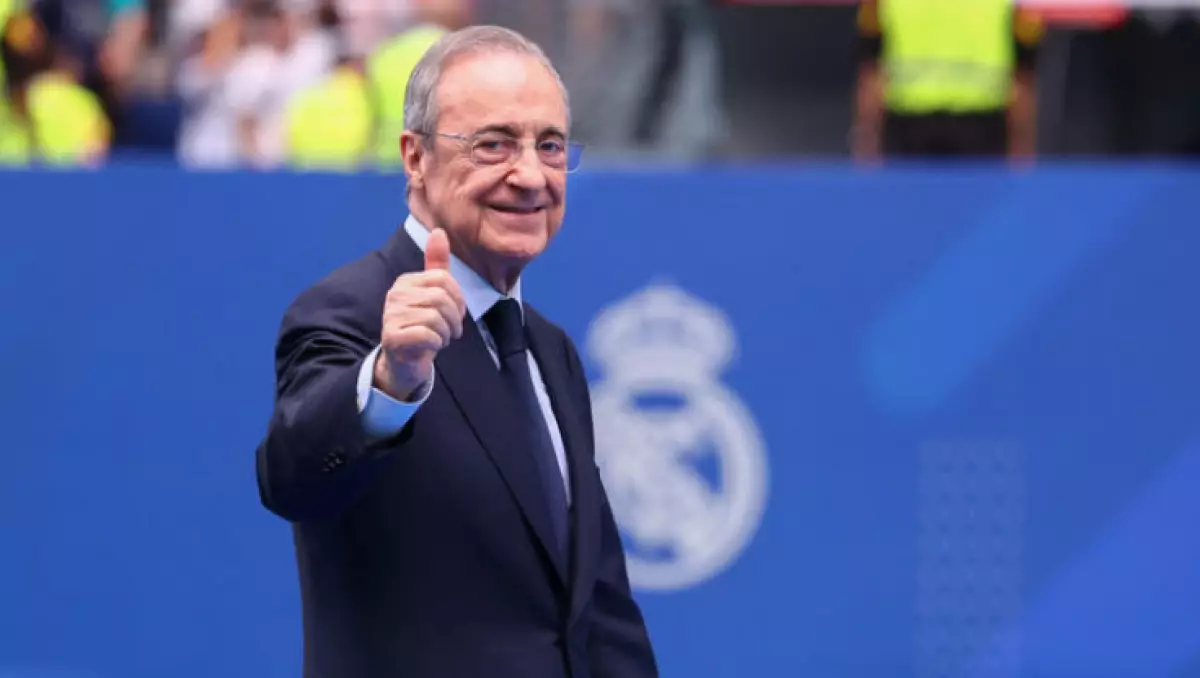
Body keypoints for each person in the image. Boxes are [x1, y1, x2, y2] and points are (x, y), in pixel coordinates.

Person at [255, 25, 659, 678]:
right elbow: (293, 478)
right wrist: (389, 383)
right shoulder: (352, 312)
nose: (530, 175)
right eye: (494, 144)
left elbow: (598, 607)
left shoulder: (550, 350)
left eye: (550, 145)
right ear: (415, 157)